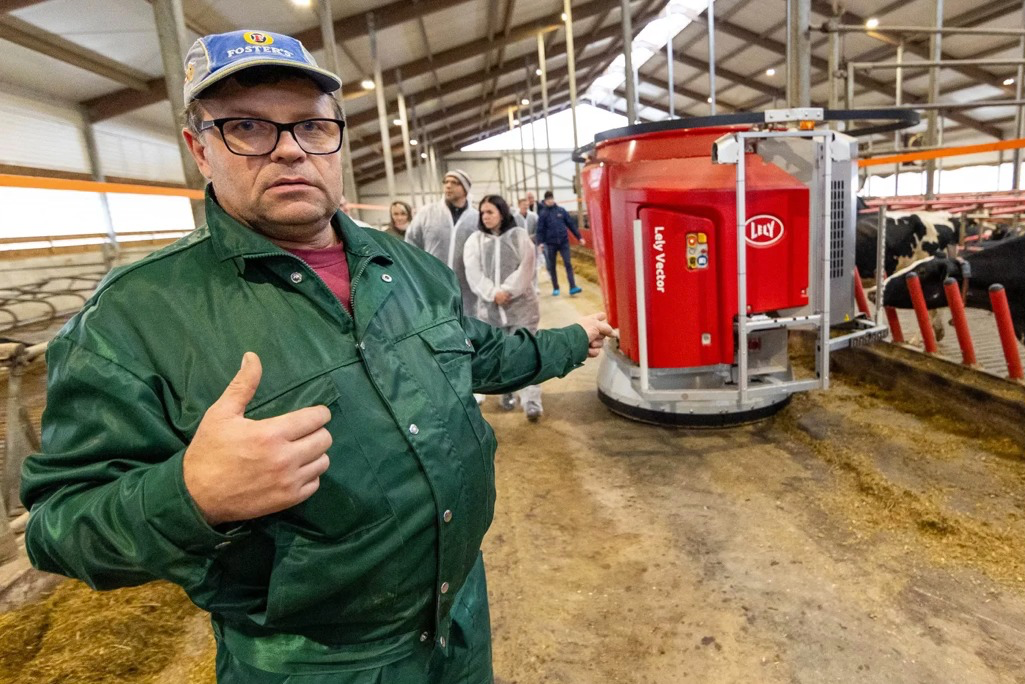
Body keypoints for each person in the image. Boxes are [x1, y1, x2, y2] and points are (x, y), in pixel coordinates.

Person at [19, 29, 613, 684]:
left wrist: (573, 339)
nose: (289, 151)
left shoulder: (409, 270)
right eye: (248, 127)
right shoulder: (137, 317)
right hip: (314, 661)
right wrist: (190, 494)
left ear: (337, 137)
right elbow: (59, 524)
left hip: (460, 620)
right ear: (200, 148)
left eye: (310, 127)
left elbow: (483, 353)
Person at [463, 195, 542, 421]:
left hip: (521, 308)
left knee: (528, 353)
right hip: (491, 310)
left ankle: (532, 401)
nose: (485, 217)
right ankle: (506, 392)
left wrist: (508, 290)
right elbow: (473, 272)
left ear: (502, 213)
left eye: (490, 212)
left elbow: (526, 267)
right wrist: (492, 293)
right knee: (499, 356)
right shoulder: (475, 241)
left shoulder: (518, 236)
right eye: (483, 213)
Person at [405, 169, 479, 315]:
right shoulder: (427, 213)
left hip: (466, 286)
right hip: (432, 283)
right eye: (446, 182)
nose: (448, 186)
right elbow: (410, 244)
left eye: (454, 183)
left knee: (466, 325)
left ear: (465, 189)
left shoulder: (476, 218)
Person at [537, 190, 584, 296]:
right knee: (552, 265)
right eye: (548, 199)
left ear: (553, 199)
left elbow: (571, 224)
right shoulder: (543, 214)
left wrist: (579, 237)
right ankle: (556, 287)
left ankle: (572, 287)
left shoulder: (561, 211)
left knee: (568, 263)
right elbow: (540, 230)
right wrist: (540, 243)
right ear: (545, 201)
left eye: (551, 198)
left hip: (563, 242)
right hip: (551, 244)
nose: (550, 201)